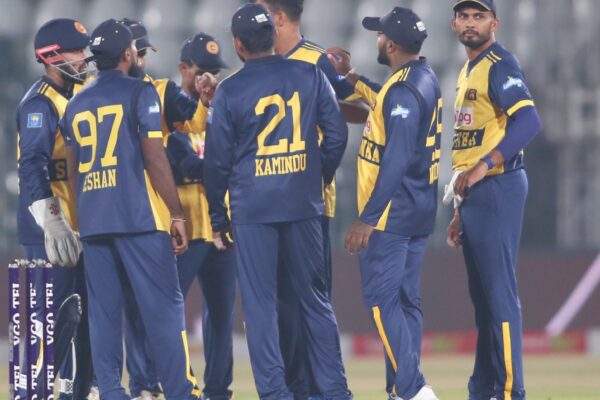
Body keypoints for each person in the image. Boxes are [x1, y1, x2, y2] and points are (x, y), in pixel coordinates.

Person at [204, 3, 351, 399]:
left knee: (260, 307)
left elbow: (216, 163)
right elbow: (337, 136)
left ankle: (275, 393)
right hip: (303, 206)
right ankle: (336, 391)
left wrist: (218, 216)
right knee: (315, 302)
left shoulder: (229, 90)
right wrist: (315, 179)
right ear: (272, 35)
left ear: (237, 44)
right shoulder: (309, 73)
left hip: (253, 210)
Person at [61, 19, 200, 400]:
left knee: (104, 314)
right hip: (139, 218)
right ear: (127, 54)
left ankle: (111, 391)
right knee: (164, 310)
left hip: (94, 220)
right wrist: (176, 213)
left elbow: (73, 169)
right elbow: (154, 158)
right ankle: (179, 392)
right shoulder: (141, 92)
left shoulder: (75, 103)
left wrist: (81, 215)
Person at [329, 6, 442, 400]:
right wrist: (352, 78)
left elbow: (396, 157)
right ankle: (399, 388)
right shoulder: (421, 77)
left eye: (380, 35)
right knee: (407, 302)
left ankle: (413, 389)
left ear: (390, 45)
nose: (376, 39)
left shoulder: (404, 92)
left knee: (381, 299)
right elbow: (384, 98)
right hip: (418, 209)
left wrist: (368, 218)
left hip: (392, 215)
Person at [250, 1, 362, 397]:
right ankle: (297, 386)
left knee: (309, 300)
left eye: (262, 10)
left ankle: (318, 388)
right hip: (268, 201)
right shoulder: (259, 62)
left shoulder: (316, 61)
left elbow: (359, 109)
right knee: (282, 302)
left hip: (309, 204)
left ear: (279, 17)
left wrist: (318, 176)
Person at [445, 1, 542, 399]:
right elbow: (472, 140)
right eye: (464, 16)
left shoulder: (500, 64)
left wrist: (485, 165)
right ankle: (484, 388)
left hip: (498, 186)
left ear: (495, 23)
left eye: (479, 16)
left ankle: (509, 391)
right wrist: (460, 210)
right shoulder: (469, 68)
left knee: (499, 295)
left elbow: (529, 121)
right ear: (454, 24)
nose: (471, 23)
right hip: (477, 195)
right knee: (484, 299)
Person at [17, 18, 94, 399]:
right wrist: (52, 221)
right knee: (50, 323)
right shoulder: (40, 102)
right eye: (76, 51)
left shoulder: (77, 95)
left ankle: (80, 392)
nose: (84, 58)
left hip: (79, 226)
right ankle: (32, 394)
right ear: (51, 57)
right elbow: (32, 165)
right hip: (49, 231)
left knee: (83, 321)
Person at [165, 33, 236, 400]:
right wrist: (225, 165)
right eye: (201, 71)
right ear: (183, 68)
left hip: (221, 229)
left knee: (221, 317)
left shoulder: (221, 112)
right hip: (186, 229)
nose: (209, 79)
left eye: (214, 72)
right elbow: (186, 165)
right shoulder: (171, 113)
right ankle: (182, 386)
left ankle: (218, 391)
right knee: (171, 311)